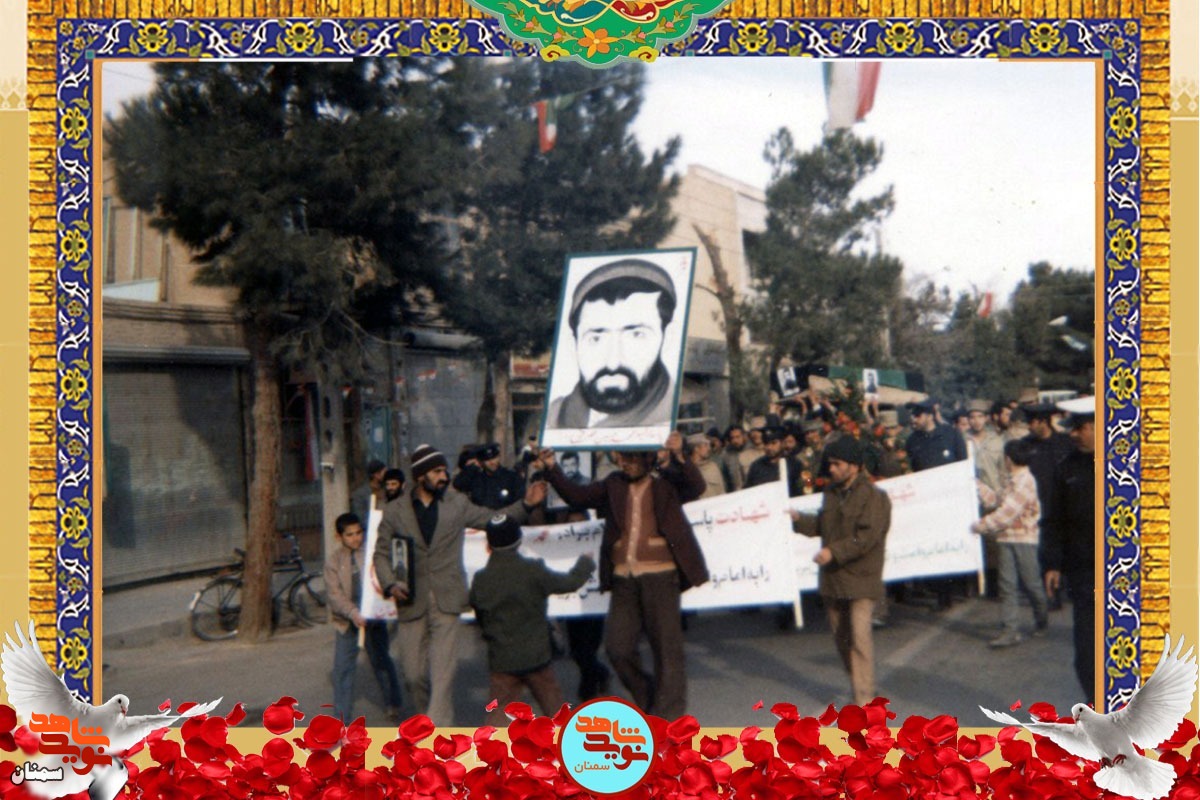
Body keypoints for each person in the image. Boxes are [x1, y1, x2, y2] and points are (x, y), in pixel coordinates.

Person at [372, 444, 547, 725]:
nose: (444, 477)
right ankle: (426, 717)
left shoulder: (457, 504)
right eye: (437, 471)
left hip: (448, 599)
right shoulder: (394, 511)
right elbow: (381, 553)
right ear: (420, 476)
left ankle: (436, 730)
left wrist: (525, 504)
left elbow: (493, 520)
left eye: (444, 470)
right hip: (410, 599)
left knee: (443, 674)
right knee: (413, 675)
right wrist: (390, 583)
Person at [538, 433, 708, 719]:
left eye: (632, 458)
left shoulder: (665, 484)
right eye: (622, 457)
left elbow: (696, 486)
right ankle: (649, 697)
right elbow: (577, 496)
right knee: (618, 649)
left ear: (647, 459)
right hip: (623, 579)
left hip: (660, 577)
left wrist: (680, 455)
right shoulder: (613, 484)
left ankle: (669, 717)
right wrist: (552, 467)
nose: (625, 463)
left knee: (667, 651)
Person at [790, 436, 891, 706]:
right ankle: (862, 683)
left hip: (861, 579)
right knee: (842, 641)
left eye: (837, 464)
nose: (831, 469)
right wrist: (798, 520)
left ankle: (864, 699)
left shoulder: (874, 497)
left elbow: (866, 538)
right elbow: (822, 526)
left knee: (859, 638)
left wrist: (833, 552)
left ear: (854, 466)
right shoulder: (831, 494)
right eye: (830, 464)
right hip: (833, 580)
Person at [469, 514, 595, 726]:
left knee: (497, 723)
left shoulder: (482, 579)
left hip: (502, 660)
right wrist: (585, 562)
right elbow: (569, 583)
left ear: (489, 545)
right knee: (558, 717)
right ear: (519, 540)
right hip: (537, 658)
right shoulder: (533, 570)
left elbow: (480, 615)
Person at [547, 258, 679, 430]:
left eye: (636, 335)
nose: (613, 362)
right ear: (573, 344)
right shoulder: (551, 418)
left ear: (667, 338)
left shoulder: (679, 418)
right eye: (596, 338)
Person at [1040, 400, 1096, 704]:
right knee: (1086, 655)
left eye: (1080, 428)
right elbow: (1053, 520)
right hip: (1084, 573)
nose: (1073, 434)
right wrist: (1052, 563)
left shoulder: (1130, 465)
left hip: (1131, 577)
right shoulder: (1066, 469)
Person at [325, 512, 404, 724]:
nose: (355, 538)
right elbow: (334, 595)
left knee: (381, 661)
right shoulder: (333, 561)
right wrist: (352, 613)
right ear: (339, 536)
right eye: (349, 534)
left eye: (358, 533)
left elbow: (383, 579)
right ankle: (341, 719)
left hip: (374, 618)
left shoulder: (371, 555)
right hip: (346, 621)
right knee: (343, 669)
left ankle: (393, 703)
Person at [970, 439, 1049, 647]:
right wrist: (975, 484)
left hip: (1024, 541)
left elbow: (1006, 514)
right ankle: (1010, 630)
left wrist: (980, 526)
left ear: (1008, 459)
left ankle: (1041, 619)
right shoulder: (1010, 481)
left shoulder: (1025, 482)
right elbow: (995, 500)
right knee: (1007, 586)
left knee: (1031, 584)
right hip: (1006, 539)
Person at [453, 442, 526, 509]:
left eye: (494, 458)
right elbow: (458, 484)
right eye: (487, 460)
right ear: (481, 461)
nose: (492, 462)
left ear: (499, 457)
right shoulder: (477, 478)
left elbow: (519, 502)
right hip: (481, 517)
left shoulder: (512, 477)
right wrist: (473, 466)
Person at [745, 427, 802, 496]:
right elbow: (748, 491)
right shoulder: (756, 466)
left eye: (773, 443)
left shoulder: (794, 464)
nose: (769, 447)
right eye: (766, 443)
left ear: (782, 443)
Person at [350, 459, 387, 530]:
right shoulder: (360, 494)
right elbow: (359, 518)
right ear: (377, 475)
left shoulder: (387, 491)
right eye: (384, 472)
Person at [686, 432, 725, 499]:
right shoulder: (687, 469)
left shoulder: (712, 467)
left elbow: (721, 491)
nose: (709, 448)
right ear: (696, 448)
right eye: (705, 445)